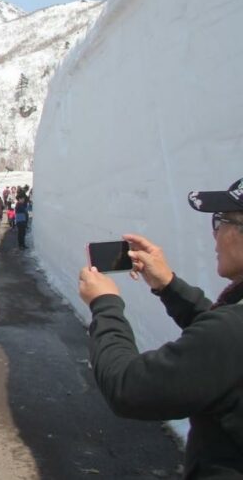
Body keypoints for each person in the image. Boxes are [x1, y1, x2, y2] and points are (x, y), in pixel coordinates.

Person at [78, 177, 243, 479]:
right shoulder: (229, 331)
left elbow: (127, 387)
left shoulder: (231, 333)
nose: (215, 236)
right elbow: (220, 343)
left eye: (220, 222)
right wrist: (168, 285)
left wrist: (105, 304)